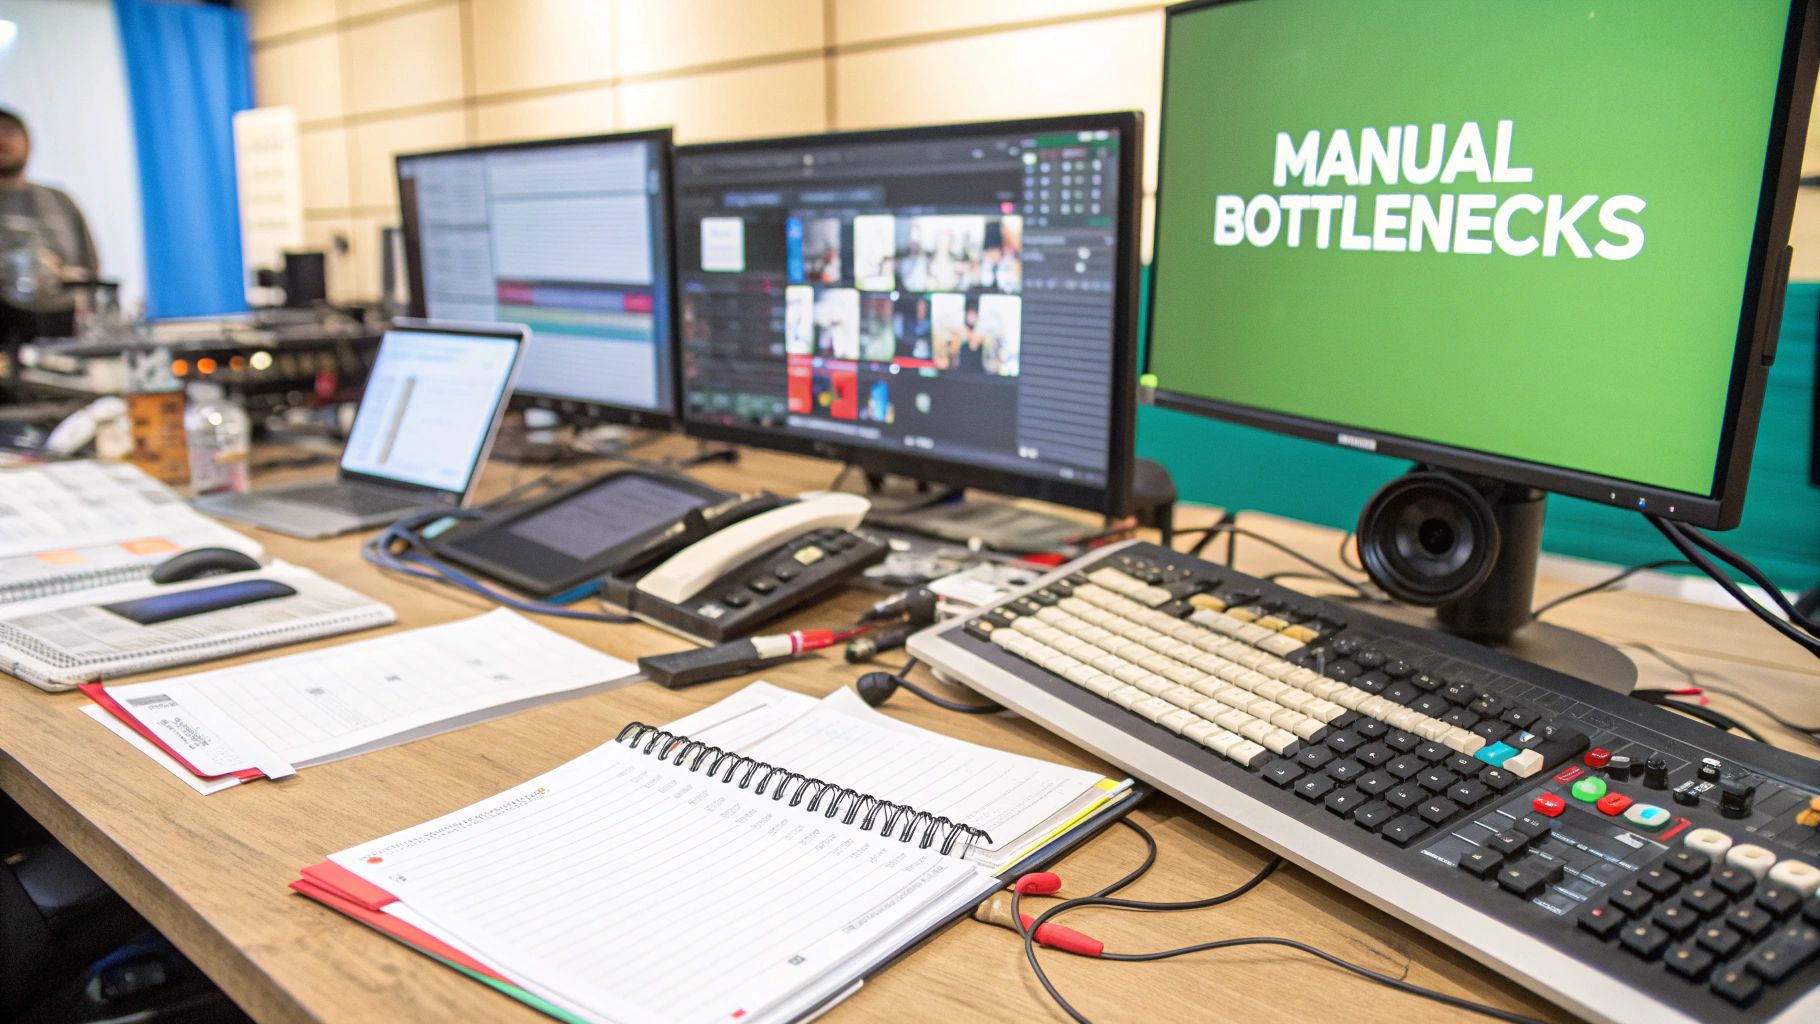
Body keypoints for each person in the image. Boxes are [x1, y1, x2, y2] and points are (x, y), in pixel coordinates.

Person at [0, 107, 99, 306]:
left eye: (10, 132)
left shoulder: (59, 200)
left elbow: (89, 265)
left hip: (63, 323)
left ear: (28, 143)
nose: (3, 140)